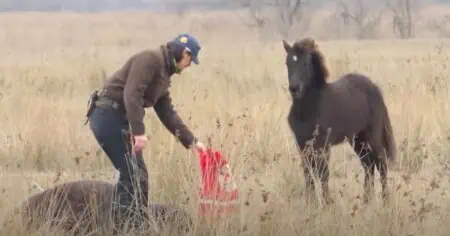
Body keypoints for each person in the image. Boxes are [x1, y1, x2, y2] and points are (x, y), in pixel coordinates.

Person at [85, 33, 207, 230]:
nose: (189, 65)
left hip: (118, 120)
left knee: (138, 174)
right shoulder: (150, 60)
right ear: (184, 52)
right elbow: (131, 94)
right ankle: (124, 226)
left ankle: (135, 223)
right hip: (107, 116)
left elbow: (167, 113)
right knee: (132, 172)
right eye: (190, 60)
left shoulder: (163, 75)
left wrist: (192, 142)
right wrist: (138, 131)